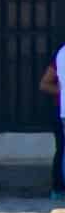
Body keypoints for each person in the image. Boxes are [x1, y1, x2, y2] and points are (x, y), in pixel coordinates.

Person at [43, 45, 63, 201]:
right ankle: (58, 189)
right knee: (62, 150)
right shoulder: (61, 54)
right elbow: (45, 84)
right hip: (62, 112)